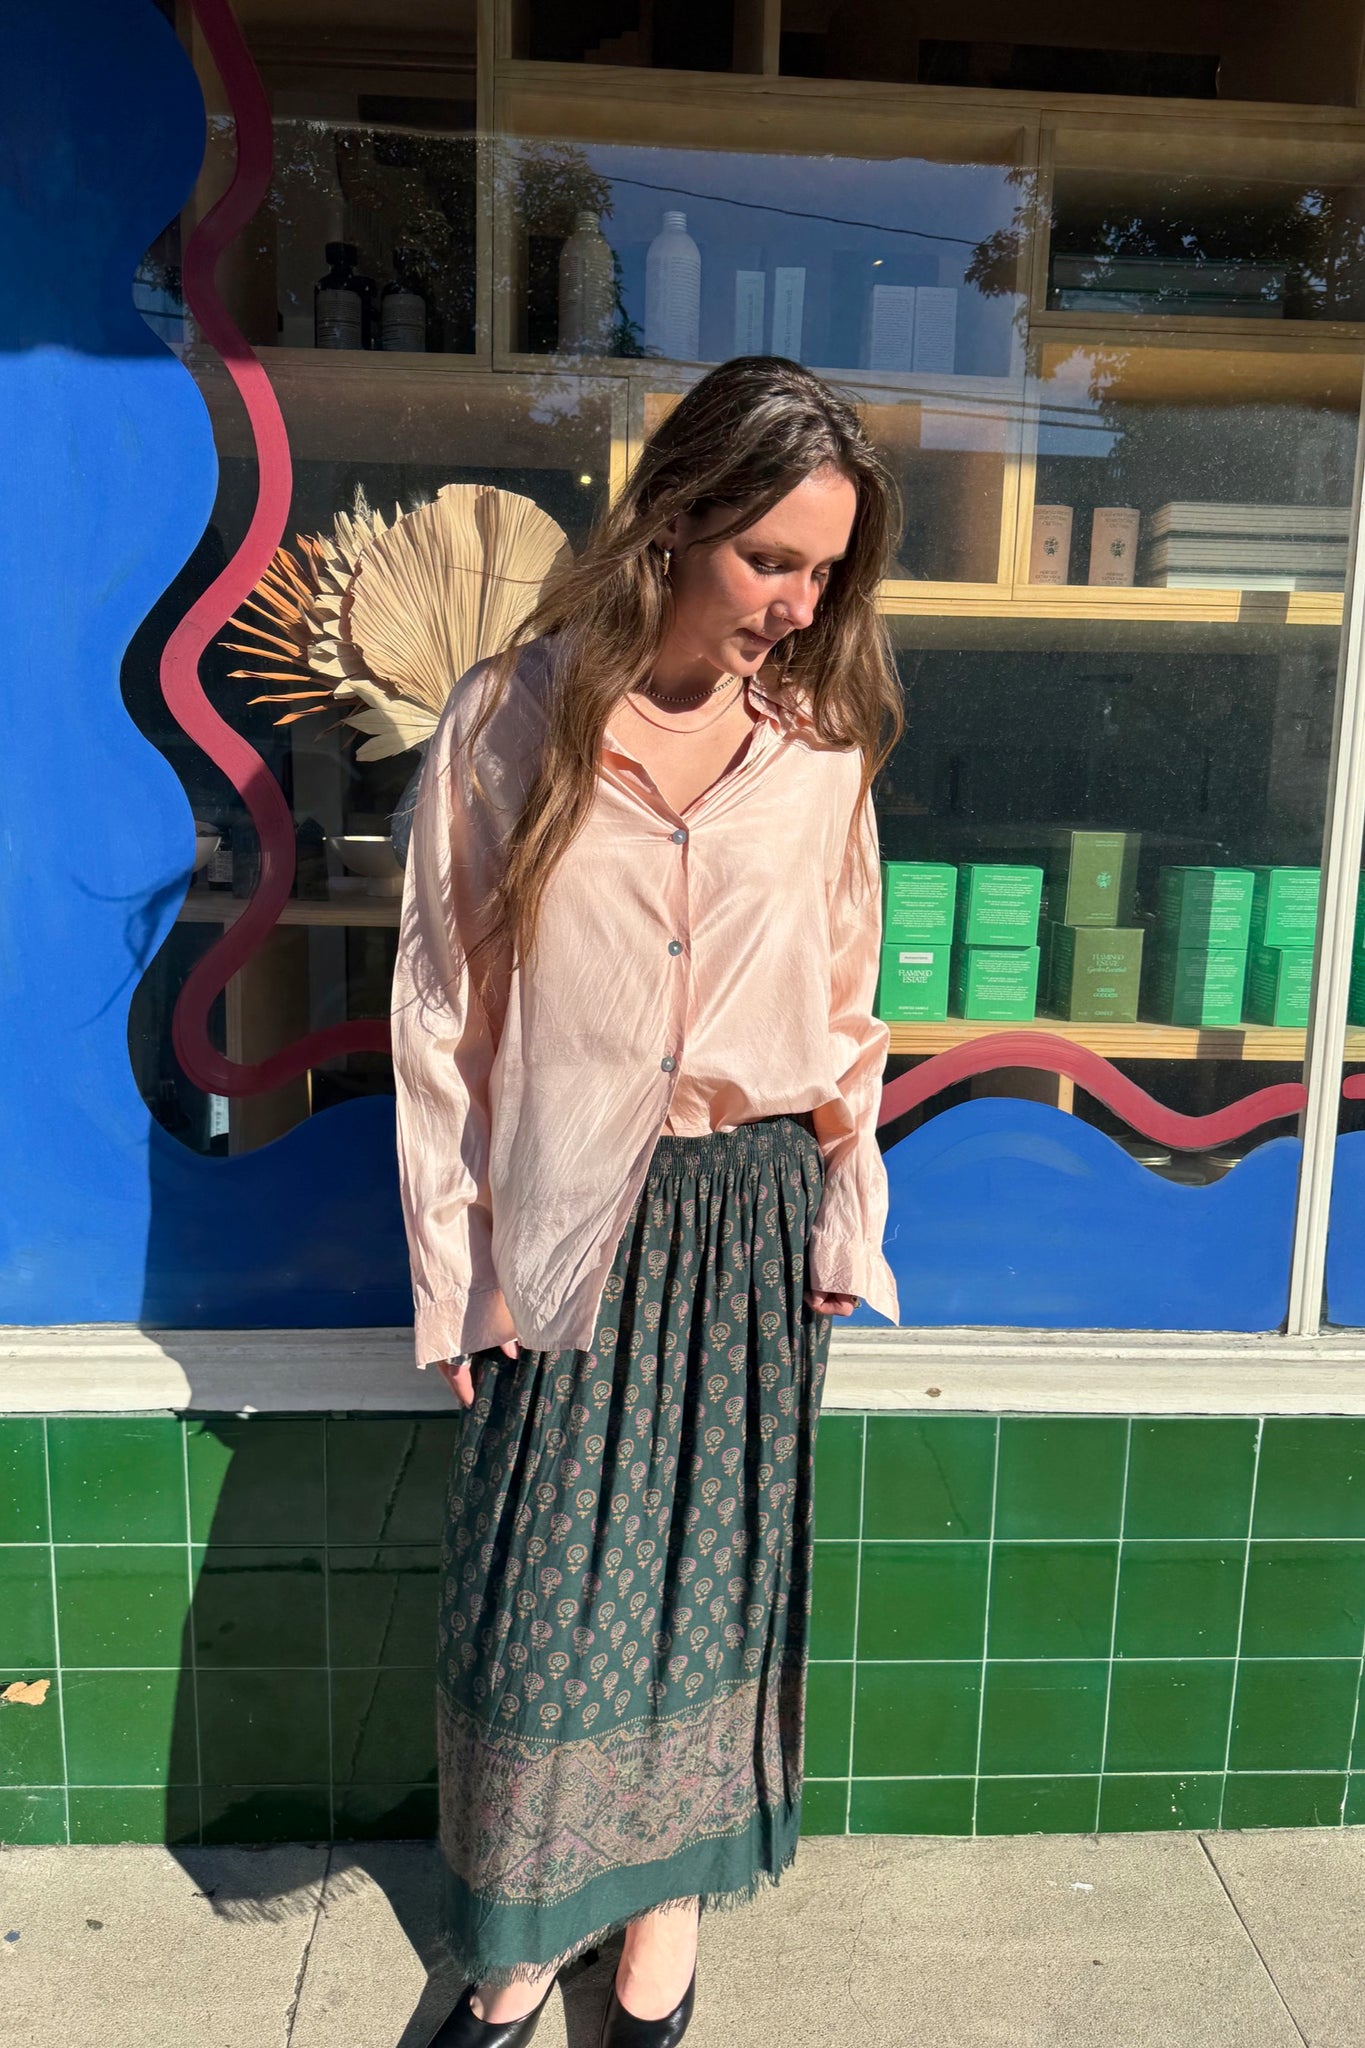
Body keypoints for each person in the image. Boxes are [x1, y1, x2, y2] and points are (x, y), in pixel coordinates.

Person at [390, 354, 903, 2048]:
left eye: (824, 569)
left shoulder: (817, 752)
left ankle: (661, 1924)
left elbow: (846, 1007)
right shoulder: (508, 718)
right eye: (771, 558)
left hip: (750, 1215)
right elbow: (443, 1010)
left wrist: (845, 1210)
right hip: (570, 1224)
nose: (798, 603)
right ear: (674, 519)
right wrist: (458, 1266)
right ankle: (521, 1937)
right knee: (542, 1610)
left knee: (710, 1591)